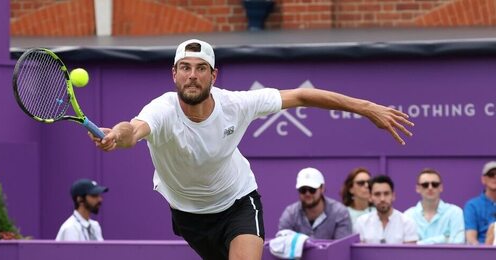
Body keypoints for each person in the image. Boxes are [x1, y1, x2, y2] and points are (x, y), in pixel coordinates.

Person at [89, 39, 413, 259]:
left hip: (238, 203)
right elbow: (133, 130)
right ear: (174, 74)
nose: (192, 75)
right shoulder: (161, 110)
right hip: (189, 215)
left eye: (200, 68)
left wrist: (368, 108)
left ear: (213, 75)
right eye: (185, 67)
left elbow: (301, 96)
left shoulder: (236, 104)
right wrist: (117, 136)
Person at [278, 167, 352, 239]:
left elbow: (342, 247)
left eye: (312, 189)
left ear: (322, 189)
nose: (307, 194)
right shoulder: (290, 214)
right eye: (302, 190)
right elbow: (282, 245)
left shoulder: (339, 212)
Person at [403, 168, 464, 244]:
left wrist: (419, 243)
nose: (430, 187)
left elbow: (458, 244)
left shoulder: (455, 213)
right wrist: (443, 239)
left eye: (435, 184)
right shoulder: (408, 216)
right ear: (417, 188)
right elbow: (407, 248)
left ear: (441, 187)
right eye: (425, 185)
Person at [354, 175, 417, 244]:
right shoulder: (361, 223)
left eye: (386, 194)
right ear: (370, 197)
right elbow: (359, 253)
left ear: (393, 196)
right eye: (377, 194)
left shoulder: (407, 223)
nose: (382, 199)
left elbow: (410, 254)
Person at [464, 161, 496, 245]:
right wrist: (486, 250)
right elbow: (471, 239)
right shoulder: (472, 206)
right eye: (491, 174)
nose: (495, 177)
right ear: (483, 179)